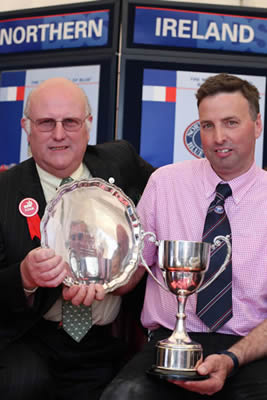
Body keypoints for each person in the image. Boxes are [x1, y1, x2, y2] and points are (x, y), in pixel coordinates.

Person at [100, 73, 267, 400]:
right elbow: (131, 271)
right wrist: (93, 275)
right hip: (169, 343)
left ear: (257, 125)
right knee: (122, 397)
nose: (219, 137)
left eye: (231, 122)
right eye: (208, 125)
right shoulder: (165, 184)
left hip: (250, 348)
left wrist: (232, 359)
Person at [0, 77, 154, 400]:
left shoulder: (120, 161)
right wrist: (24, 278)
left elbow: (167, 193)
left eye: (70, 122)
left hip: (105, 340)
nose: (59, 134)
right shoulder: (3, 191)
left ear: (88, 125)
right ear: (26, 127)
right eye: (46, 123)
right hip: (31, 339)